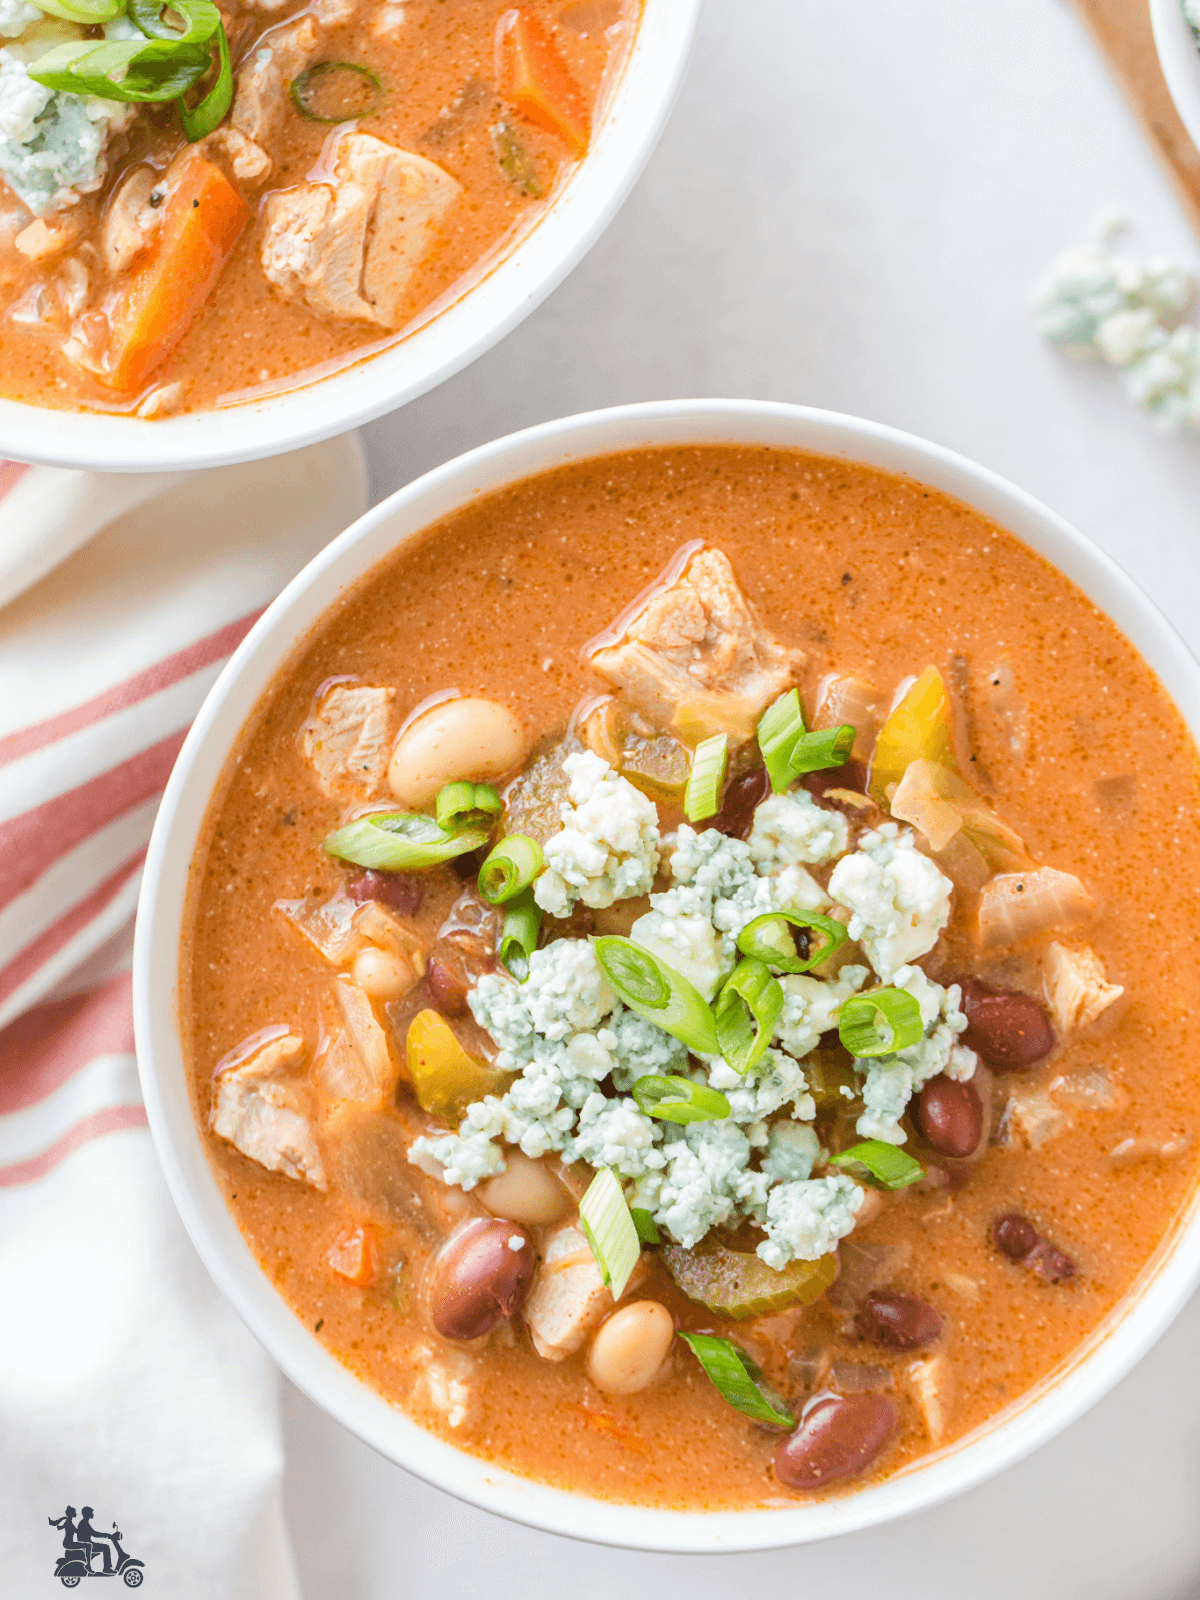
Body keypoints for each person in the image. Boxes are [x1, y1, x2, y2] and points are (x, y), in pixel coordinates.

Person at [76, 1506, 113, 1575]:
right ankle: (107, 1569)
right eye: (91, 1513)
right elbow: (95, 1534)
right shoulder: (84, 1523)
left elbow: (94, 1533)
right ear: (87, 1514)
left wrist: (108, 1535)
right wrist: (108, 1535)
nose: (92, 1514)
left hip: (88, 1543)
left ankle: (107, 1568)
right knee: (106, 1547)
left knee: (105, 1547)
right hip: (87, 1545)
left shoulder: (84, 1522)